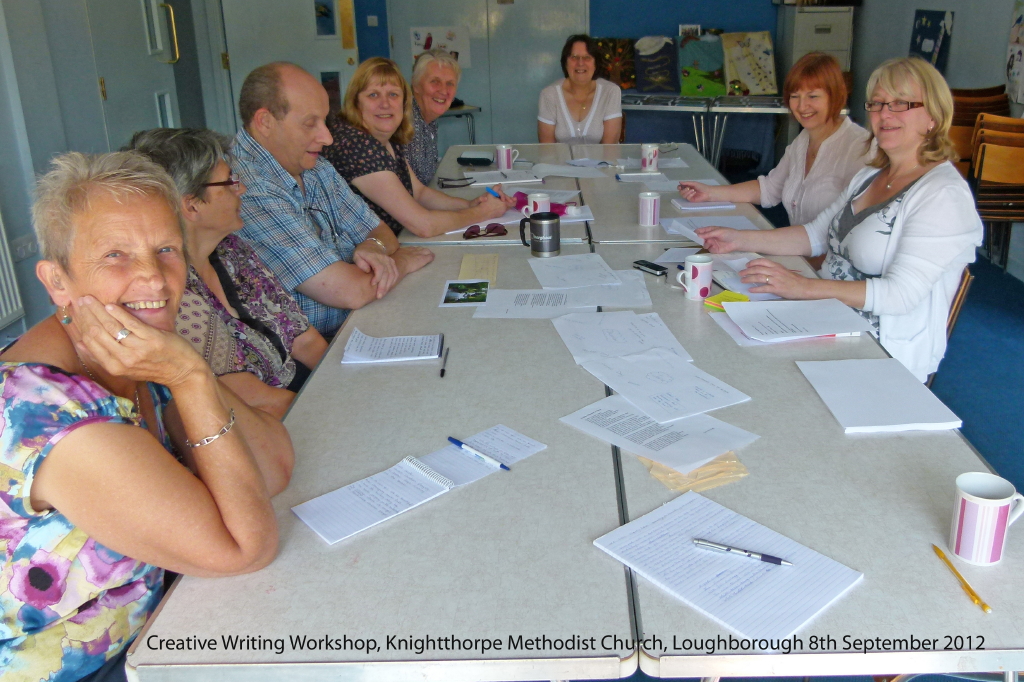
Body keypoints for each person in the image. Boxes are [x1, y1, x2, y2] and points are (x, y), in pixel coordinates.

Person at [0, 151, 293, 681]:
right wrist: (188, 377)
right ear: (58, 282)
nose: (153, 278)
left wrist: (184, 370)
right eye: (115, 254)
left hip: (166, 625)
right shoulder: (49, 413)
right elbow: (245, 549)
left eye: (166, 249)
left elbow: (274, 467)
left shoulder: (133, 352)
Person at [696, 57, 983, 382]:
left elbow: (900, 295)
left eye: (901, 103)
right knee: (717, 338)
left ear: (933, 116)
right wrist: (738, 238)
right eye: (877, 103)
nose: (885, 114)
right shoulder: (871, 175)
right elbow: (814, 235)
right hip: (824, 317)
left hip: (880, 352)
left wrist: (804, 287)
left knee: (745, 371)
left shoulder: (943, 194)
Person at [128, 128, 328, 419]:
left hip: (303, 396)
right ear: (191, 205)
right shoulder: (168, 292)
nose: (242, 189)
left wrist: (348, 382)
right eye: (230, 181)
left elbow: (305, 339)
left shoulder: (231, 250)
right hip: (268, 422)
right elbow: (256, 401)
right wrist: (340, 408)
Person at [233, 62, 435, 338]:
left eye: (325, 121)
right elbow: (350, 292)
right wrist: (402, 263)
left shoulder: (313, 165)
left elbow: (381, 231)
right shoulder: (248, 189)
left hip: (363, 316)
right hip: (320, 348)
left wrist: (373, 247)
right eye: (310, 123)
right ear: (265, 122)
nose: (327, 138)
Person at [323, 58, 513, 238]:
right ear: (356, 102)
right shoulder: (357, 146)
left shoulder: (387, 136)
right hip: (362, 255)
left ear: (404, 101)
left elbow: (420, 193)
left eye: (393, 94)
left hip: (390, 244)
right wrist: (483, 212)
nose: (385, 104)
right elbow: (424, 225)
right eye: (373, 95)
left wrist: (470, 205)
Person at [679, 52, 872, 229]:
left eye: (813, 96)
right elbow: (770, 189)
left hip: (825, 255)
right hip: (796, 249)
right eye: (795, 96)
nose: (802, 106)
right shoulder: (803, 140)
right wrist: (710, 193)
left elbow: (858, 226)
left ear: (835, 96)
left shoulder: (859, 147)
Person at [538, 34, 622, 144]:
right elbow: (547, 148)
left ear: (596, 64)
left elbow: (609, 148)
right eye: (574, 57)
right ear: (565, 63)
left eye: (587, 57)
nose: (580, 63)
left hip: (601, 156)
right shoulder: (549, 94)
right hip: (559, 156)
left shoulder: (610, 92)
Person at [406, 49, 461, 185]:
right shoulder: (406, 123)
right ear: (416, 85)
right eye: (435, 81)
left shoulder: (429, 120)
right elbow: (414, 190)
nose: (443, 90)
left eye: (450, 83)